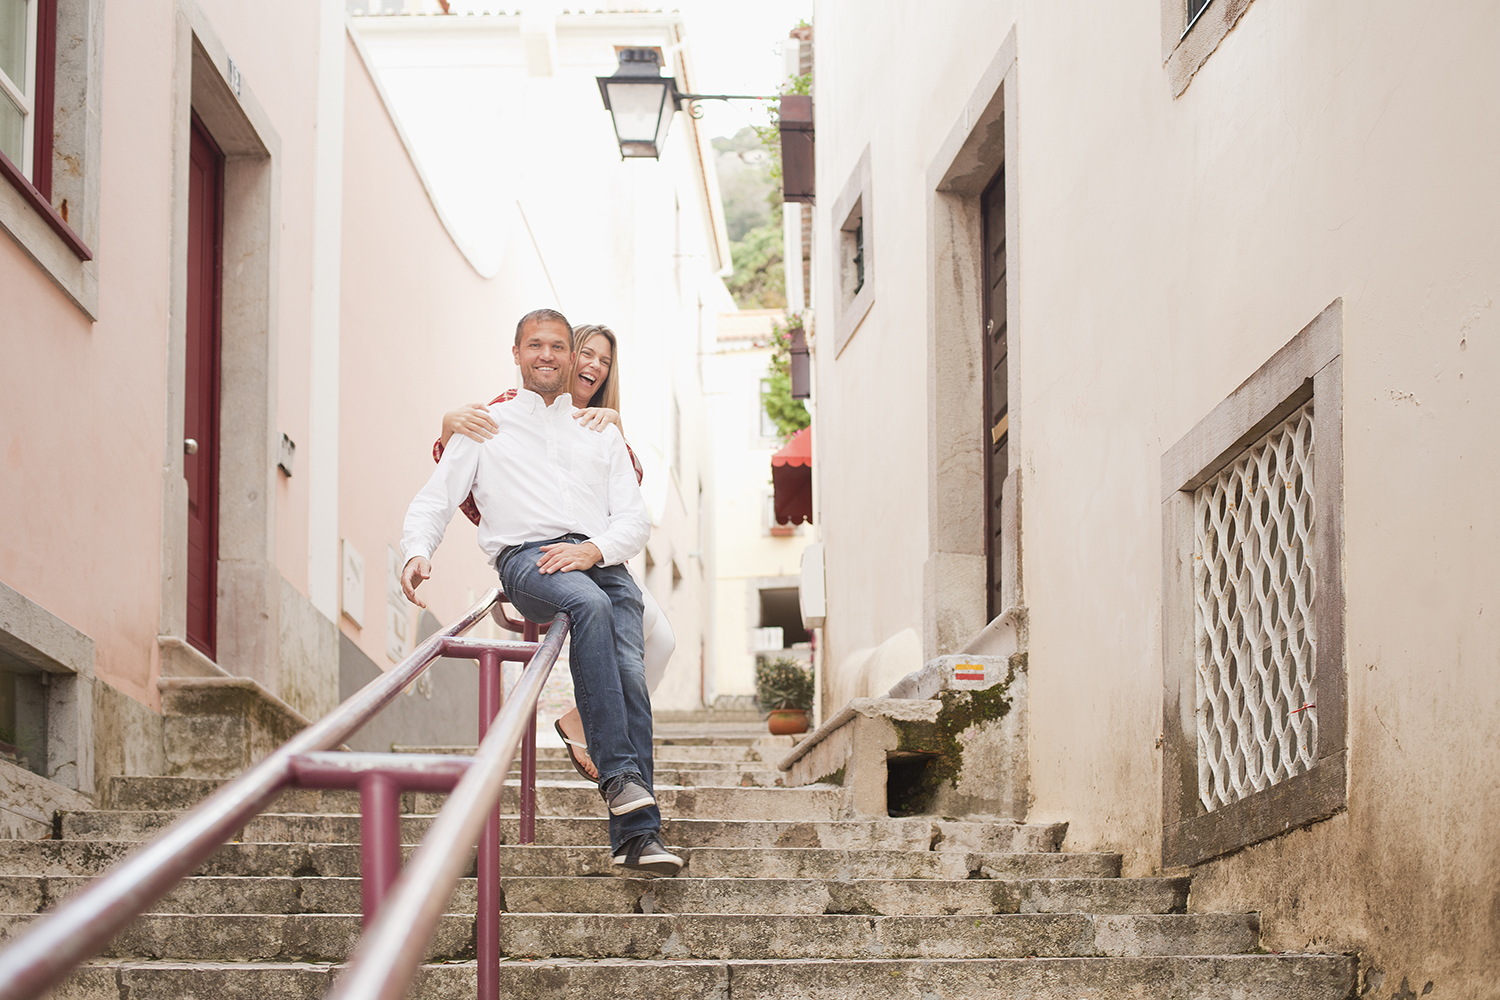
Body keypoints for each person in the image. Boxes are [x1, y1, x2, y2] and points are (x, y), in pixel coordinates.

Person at [400, 308, 681, 876]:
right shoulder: (487, 424)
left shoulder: (599, 432)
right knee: (590, 603)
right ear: (517, 353)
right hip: (527, 559)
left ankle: (638, 838)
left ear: (571, 355)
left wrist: (593, 550)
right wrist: (416, 550)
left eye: (558, 346)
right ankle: (620, 778)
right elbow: (436, 497)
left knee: (631, 667)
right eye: (536, 345)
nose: (547, 355)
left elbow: (635, 520)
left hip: (600, 557)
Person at [432, 323, 676, 782]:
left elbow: (628, 496)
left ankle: (595, 734)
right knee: (599, 611)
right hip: (539, 554)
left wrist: (616, 429)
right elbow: (465, 467)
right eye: (586, 354)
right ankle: (616, 767)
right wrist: (447, 428)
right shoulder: (518, 407)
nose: (593, 367)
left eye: (604, 362)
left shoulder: (599, 425)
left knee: (660, 641)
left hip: (598, 554)